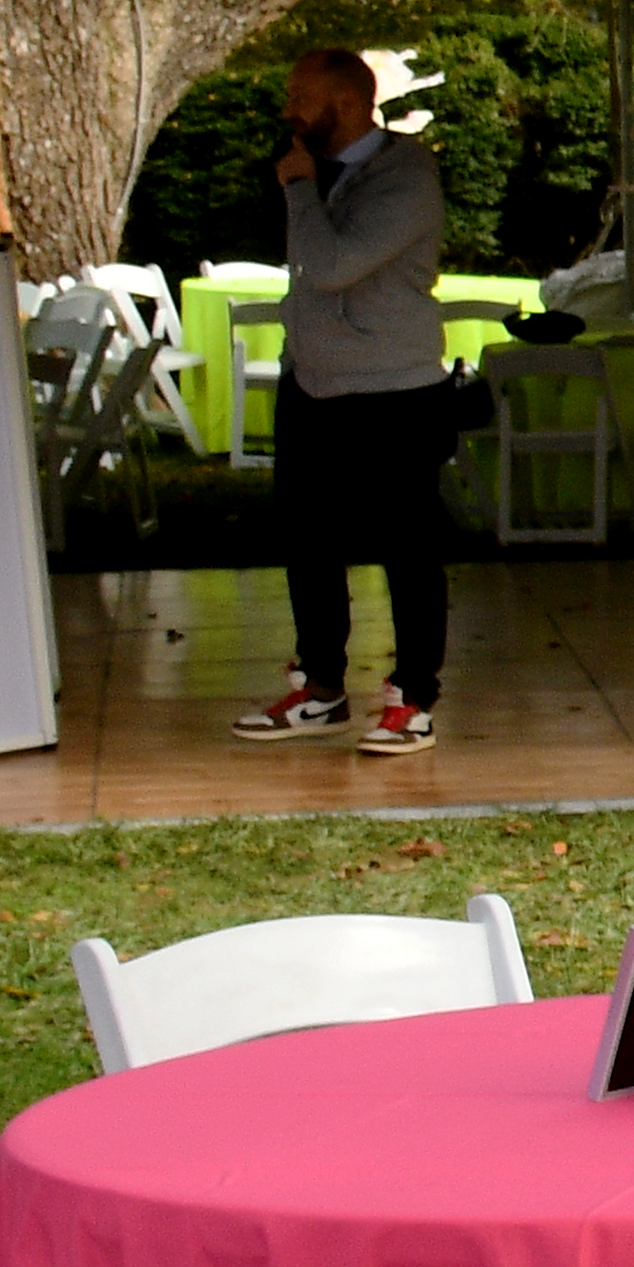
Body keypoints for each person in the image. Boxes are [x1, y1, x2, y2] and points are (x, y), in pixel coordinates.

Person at [244, 47, 454, 757]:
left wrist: (301, 191)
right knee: (308, 540)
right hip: (313, 383)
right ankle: (320, 686)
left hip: (393, 389)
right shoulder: (312, 167)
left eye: (300, 95)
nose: (288, 108)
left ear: (345, 102)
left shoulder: (406, 178)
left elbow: (331, 267)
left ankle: (413, 698)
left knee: (408, 547)